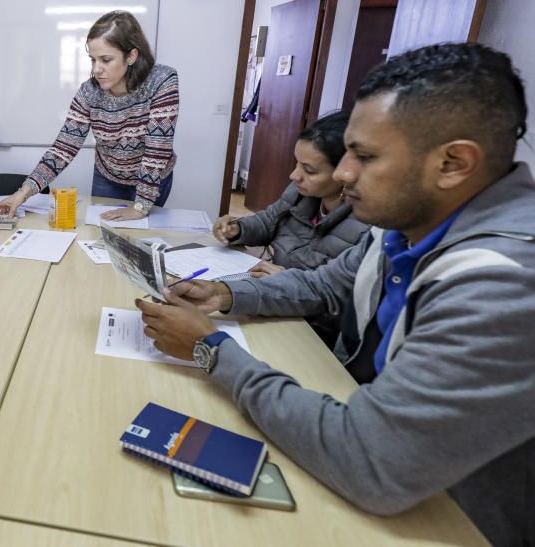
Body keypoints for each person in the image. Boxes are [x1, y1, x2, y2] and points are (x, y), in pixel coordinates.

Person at [136, 43, 534, 547]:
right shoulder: (408, 222)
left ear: (453, 163)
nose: (343, 175)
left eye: (365, 157)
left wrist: (209, 349)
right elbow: (322, 285)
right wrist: (220, 293)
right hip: (366, 440)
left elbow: (372, 460)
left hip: (446, 519)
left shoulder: (506, 283)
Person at [0, 11, 178, 222]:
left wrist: (140, 207)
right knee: (102, 234)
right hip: (108, 176)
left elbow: (157, 149)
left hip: (152, 180)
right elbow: (63, 148)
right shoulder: (89, 92)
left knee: (138, 235)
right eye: (93, 59)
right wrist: (21, 194)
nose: (96, 70)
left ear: (131, 56)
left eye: (106, 60)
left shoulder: (162, 82)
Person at [214, 110, 368, 278]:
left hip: (298, 298)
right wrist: (237, 229)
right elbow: (267, 221)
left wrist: (287, 279)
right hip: (274, 287)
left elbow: (337, 291)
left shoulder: (367, 224)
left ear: (346, 173)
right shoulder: (301, 191)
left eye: (309, 170)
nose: (294, 175)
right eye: (297, 164)